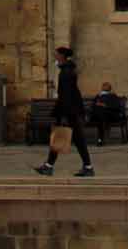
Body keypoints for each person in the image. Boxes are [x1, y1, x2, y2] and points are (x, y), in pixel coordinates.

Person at [35, 45, 94, 178]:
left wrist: (64, 115)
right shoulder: (68, 70)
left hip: (69, 111)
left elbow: (67, 95)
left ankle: (49, 167)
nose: (55, 56)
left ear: (62, 56)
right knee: (73, 139)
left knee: (62, 137)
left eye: (56, 54)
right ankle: (86, 167)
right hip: (72, 110)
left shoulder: (66, 73)